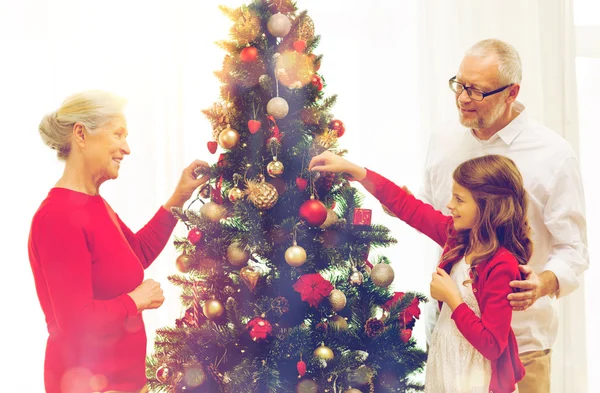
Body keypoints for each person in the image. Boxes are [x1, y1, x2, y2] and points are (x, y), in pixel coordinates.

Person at [419, 38, 589, 393]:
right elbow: (439, 218)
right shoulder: (444, 137)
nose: (463, 98)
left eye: (477, 91)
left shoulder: (554, 155)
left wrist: (543, 283)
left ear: (511, 93)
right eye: (459, 85)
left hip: (520, 349)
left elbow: (574, 250)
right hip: (448, 340)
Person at [28, 90, 210, 393]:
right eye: (118, 134)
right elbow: (75, 322)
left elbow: (135, 253)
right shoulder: (58, 216)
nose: (126, 148)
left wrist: (180, 196)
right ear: (81, 135)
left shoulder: (94, 204)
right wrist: (135, 301)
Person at [310, 151, 528, 393]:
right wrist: (358, 172)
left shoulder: (501, 265)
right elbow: (407, 206)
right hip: (446, 364)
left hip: (476, 378)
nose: (449, 205)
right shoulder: (456, 238)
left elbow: (492, 345)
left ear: (488, 207)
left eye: (459, 199)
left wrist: (453, 299)